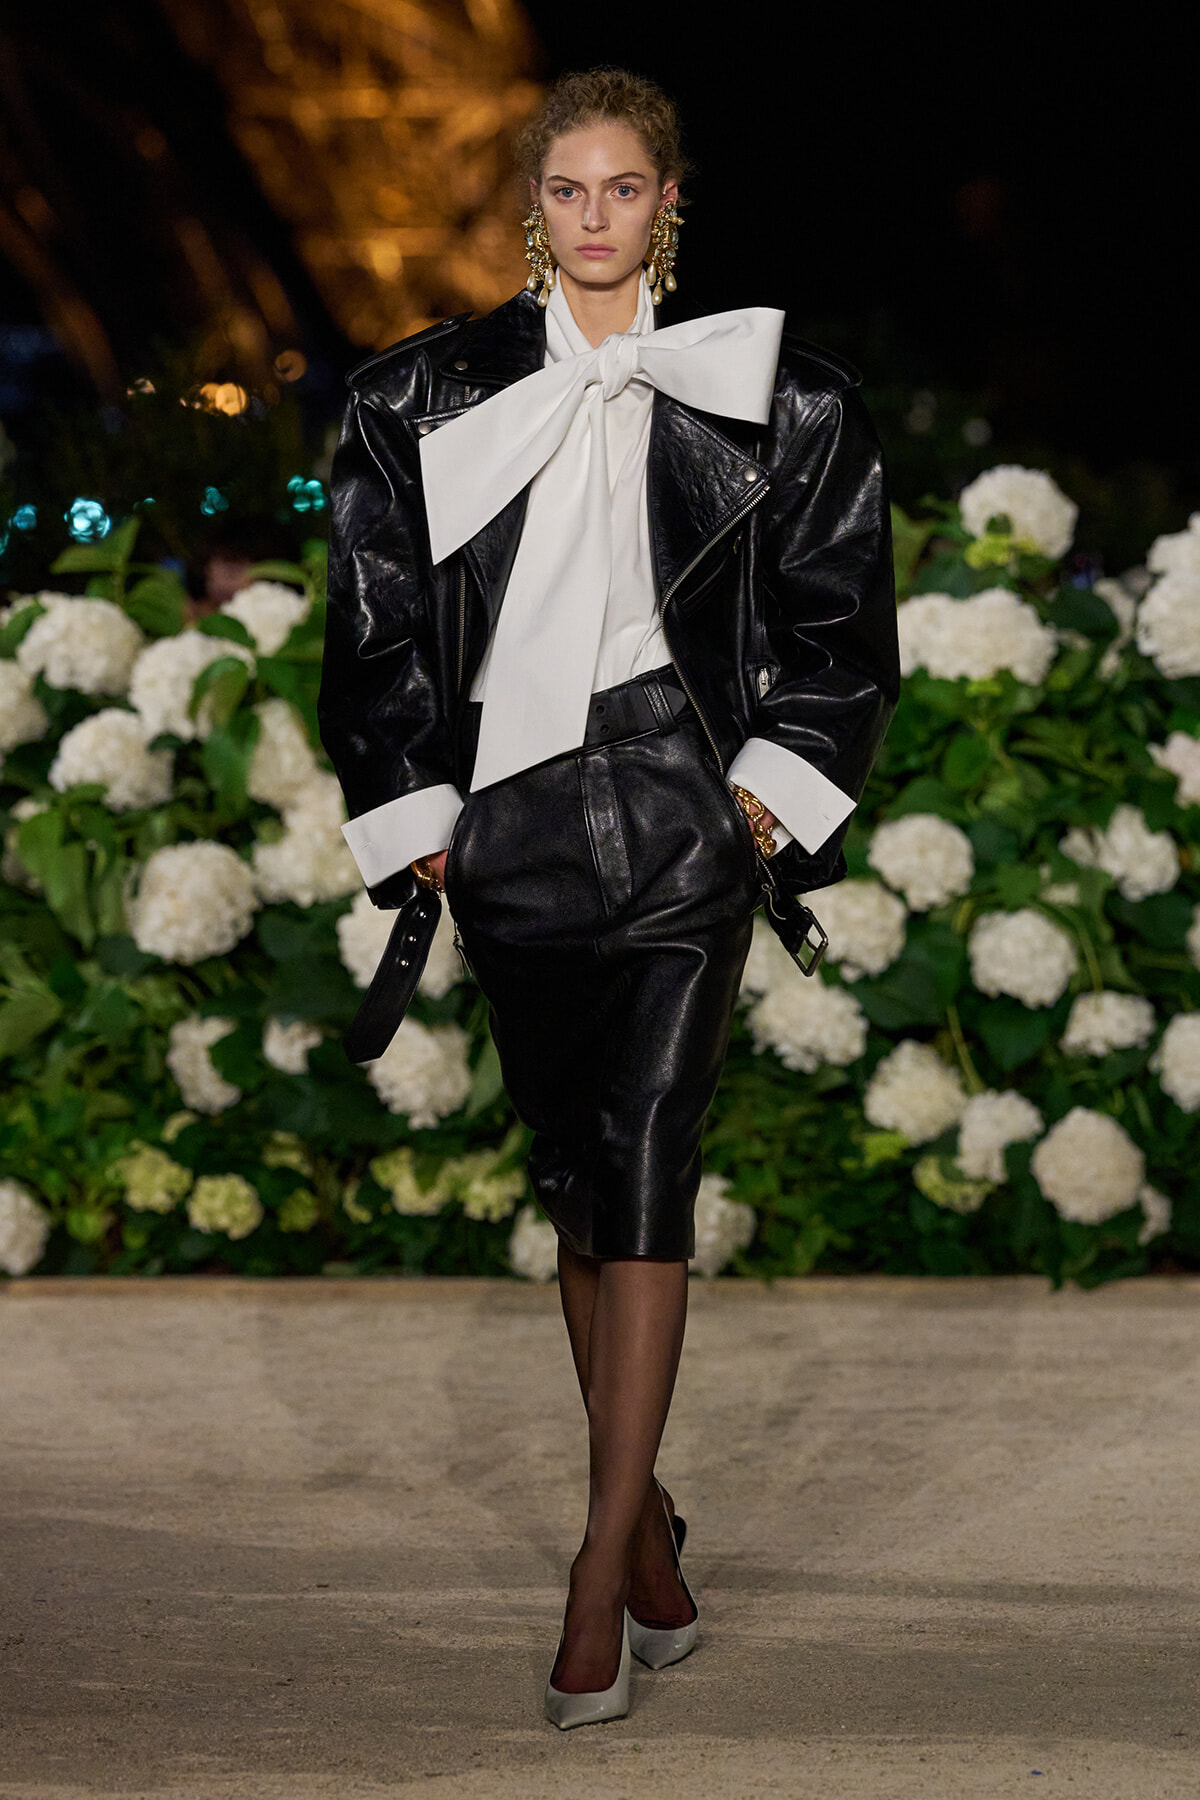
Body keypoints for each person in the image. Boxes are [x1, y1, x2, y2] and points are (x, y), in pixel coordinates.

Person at [318, 67, 899, 1728]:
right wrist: (420, 806)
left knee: (648, 1150)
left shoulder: (776, 397)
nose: (593, 215)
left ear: (668, 203)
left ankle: (590, 1568)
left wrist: (762, 805)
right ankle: (643, 1531)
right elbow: (368, 629)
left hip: (676, 810)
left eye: (623, 188)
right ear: (532, 207)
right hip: (505, 818)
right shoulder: (416, 399)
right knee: (577, 1169)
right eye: (567, 189)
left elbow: (844, 632)